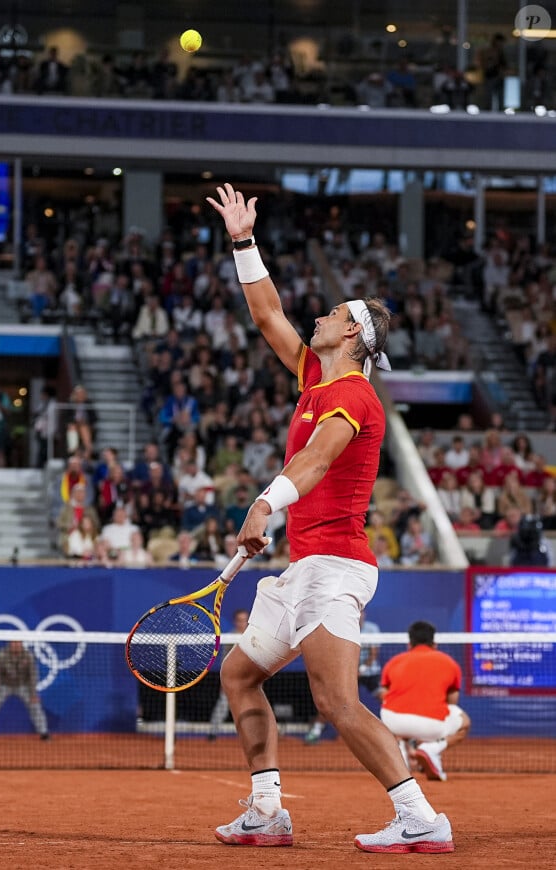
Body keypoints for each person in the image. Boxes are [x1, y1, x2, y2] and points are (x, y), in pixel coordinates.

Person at [206, 183, 453, 853]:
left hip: (336, 567)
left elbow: (315, 461)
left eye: (335, 312)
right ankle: (267, 810)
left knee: (337, 703)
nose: (319, 316)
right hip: (302, 566)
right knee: (238, 675)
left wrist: (264, 503)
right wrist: (242, 241)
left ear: (352, 333)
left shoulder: (355, 398)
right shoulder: (316, 381)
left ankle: (421, 817)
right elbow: (267, 314)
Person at [378, 621, 470, 783]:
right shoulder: (450, 663)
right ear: (434, 643)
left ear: (409, 644)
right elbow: (452, 702)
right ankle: (432, 748)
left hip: (392, 722)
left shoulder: (393, 662)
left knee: (391, 710)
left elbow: (385, 695)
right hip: (431, 726)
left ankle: (400, 750)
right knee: (463, 721)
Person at [304, 611, 382, 743]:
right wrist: (349, 671)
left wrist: (361, 669)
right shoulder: (343, 627)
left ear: (364, 614)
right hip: (347, 671)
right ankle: (315, 731)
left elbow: (373, 654)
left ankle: (401, 729)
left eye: (362, 612)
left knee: (386, 698)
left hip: (369, 673)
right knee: (330, 701)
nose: (360, 615)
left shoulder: (372, 629)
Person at [0, 641, 49, 740]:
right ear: (10, 644)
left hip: (23, 686)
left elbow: (33, 676)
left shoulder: (28, 656)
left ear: (21, 644)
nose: (16, 645)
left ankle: (44, 733)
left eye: (18, 643)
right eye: (14, 643)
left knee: (35, 706)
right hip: (4, 685)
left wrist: (33, 694)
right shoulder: (2, 655)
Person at [208, 609, 250, 740]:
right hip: (232, 678)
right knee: (223, 704)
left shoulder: (252, 636)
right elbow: (225, 661)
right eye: (240, 620)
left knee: (251, 706)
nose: (242, 623)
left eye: (245, 620)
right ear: (235, 621)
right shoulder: (229, 638)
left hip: (249, 679)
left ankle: (251, 734)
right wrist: (224, 680)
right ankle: (213, 733)